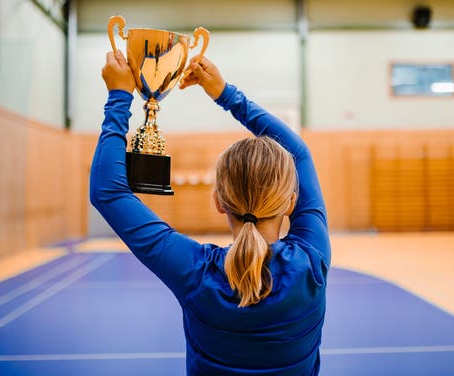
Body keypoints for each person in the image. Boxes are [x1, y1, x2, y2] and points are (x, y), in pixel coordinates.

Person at [91, 50, 330, 375]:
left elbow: (108, 192)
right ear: (290, 202)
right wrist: (226, 94)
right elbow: (298, 153)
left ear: (218, 201)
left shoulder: (196, 274)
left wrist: (120, 97)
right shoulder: (311, 262)